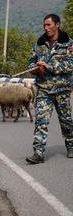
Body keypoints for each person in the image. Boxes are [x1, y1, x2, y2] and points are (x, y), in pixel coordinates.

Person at [25, 14, 73, 164]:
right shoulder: (39, 44)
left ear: (57, 25)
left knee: (66, 121)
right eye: (44, 25)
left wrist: (49, 66)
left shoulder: (68, 44)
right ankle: (38, 153)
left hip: (62, 90)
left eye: (49, 25)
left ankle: (71, 145)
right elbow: (31, 63)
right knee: (41, 122)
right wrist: (36, 69)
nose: (46, 28)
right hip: (43, 89)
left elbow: (70, 64)